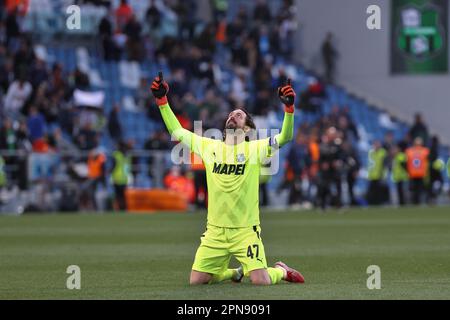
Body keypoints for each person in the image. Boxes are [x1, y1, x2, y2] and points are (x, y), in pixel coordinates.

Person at [151, 72, 304, 285]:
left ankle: (281, 271)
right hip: (215, 231)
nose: (232, 116)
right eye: (231, 114)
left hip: (245, 231)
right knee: (197, 281)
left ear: (248, 129)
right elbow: (176, 130)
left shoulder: (255, 149)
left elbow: (285, 137)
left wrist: (289, 109)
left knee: (261, 281)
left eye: (239, 115)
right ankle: (234, 273)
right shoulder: (209, 146)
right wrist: (162, 101)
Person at [405, 137, 429, 205]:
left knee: (414, 190)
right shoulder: (425, 151)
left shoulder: (409, 151)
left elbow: (406, 162)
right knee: (419, 190)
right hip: (421, 173)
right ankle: (418, 202)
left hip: (412, 173)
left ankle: (414, 202)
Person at [366, 140, 388, 206]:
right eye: (375, 144)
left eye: (377, 144)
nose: (376, 146)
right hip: (372, 175)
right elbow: (370, 164)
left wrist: (384, 174)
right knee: (372, 191)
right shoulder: (371, 152)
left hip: (380, 174)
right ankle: (372, 204)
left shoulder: (383, 152)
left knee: (379, 191)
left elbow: (385, 164)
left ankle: (379, 203)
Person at [111, 141, 131, 211]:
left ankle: (117, 209)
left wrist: (110, 174)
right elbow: (127, 167)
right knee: (123, 196)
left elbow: (112, 166)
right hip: (124, 178)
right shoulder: (127, 155)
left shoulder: (116, 154)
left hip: (116, 178)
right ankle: (124, 208)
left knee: (117, 195)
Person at [391, 142, 408, 206]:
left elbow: (404, 166)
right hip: (397, 177)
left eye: (395, 149)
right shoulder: (396, 156)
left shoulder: (401, 156)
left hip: (402, 177)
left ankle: (403, 204)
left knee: (402, 192)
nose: (393, 150)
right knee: (399, 192)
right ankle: (401, 204)